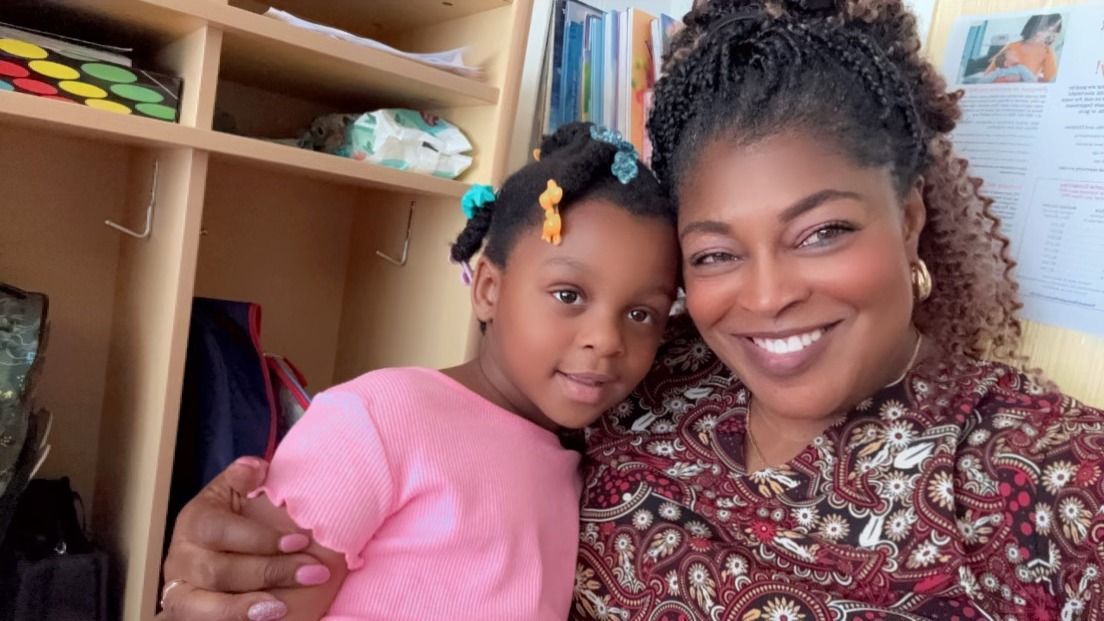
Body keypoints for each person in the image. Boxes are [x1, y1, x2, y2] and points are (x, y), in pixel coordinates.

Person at [157, 0, 1104, 620]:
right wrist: (226, 563)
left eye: (821, 232)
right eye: (717, 253)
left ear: (907, 218)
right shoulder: (647, 391)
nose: (767, 293)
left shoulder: (1049, 476)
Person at [158, 122, 679, 621]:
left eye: (641, 314)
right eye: (568, 295)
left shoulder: (575, 462)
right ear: (488, 290)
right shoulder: (380, 419)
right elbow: (245, 600)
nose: (608, 340)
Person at [966, 13, 1062, 84]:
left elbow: (1050, 80)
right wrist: (1002, 80)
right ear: (1033, 27)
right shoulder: (1012, 46)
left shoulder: (1047, 51)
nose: (1049, 35)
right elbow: (989, 73)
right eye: (1046, 30)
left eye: (1053, 33)